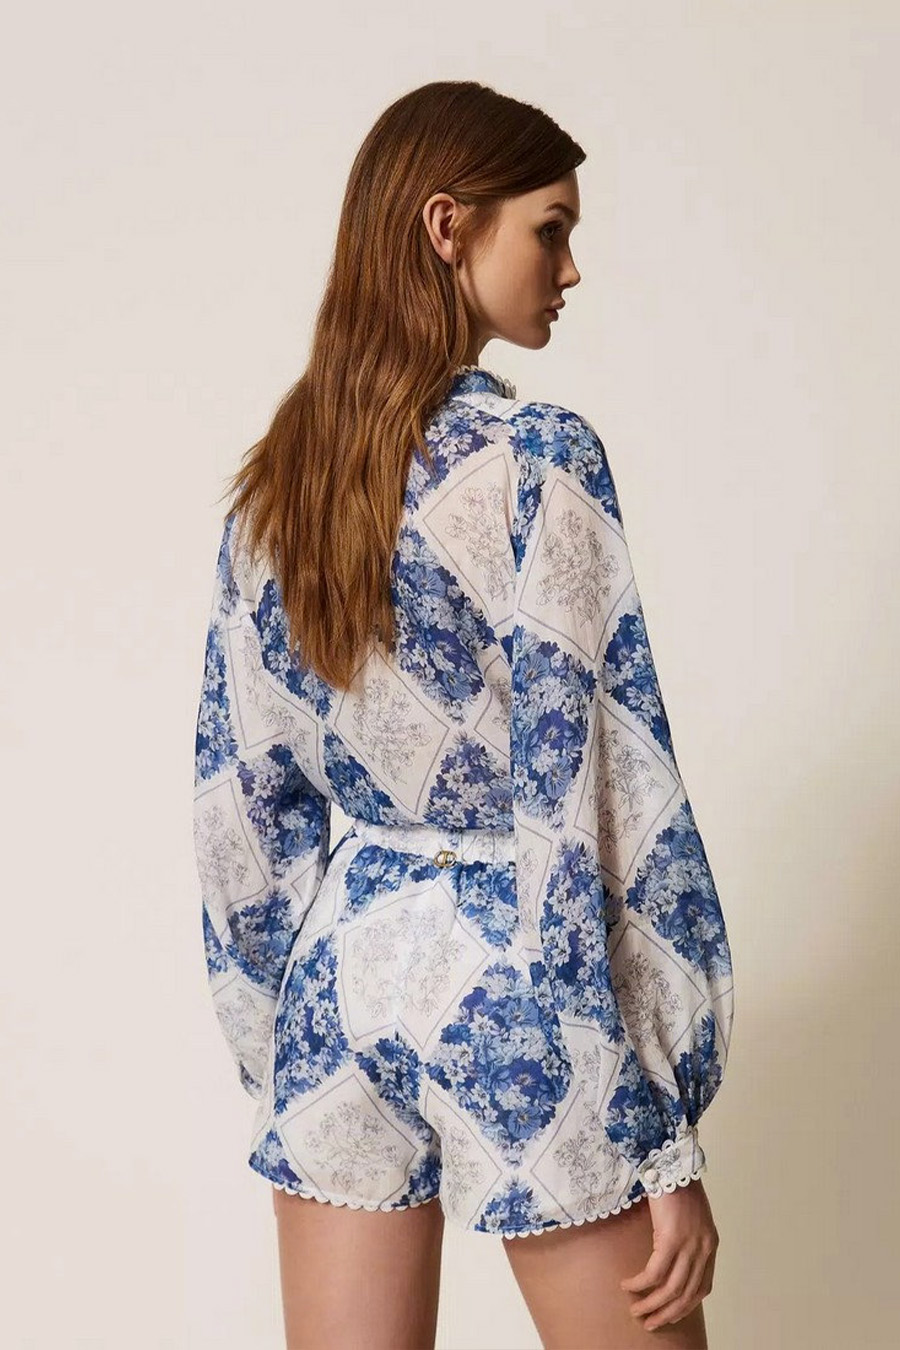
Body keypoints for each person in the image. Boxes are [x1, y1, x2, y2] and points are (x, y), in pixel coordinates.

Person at [192, 80, 734, 1350]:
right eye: (551, 229)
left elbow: (242, 803)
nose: (571, 268)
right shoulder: (541, 460)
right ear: (448, 226)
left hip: (341, 973)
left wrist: (277, 1042)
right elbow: (596, 790)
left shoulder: (278, 486)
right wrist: (659, 1131)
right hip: (521, 971)